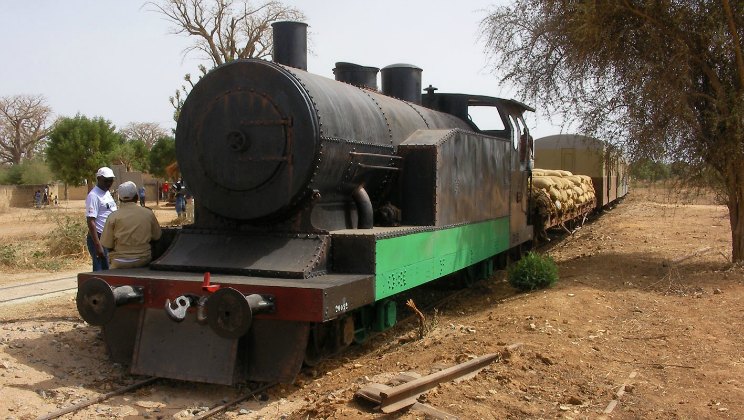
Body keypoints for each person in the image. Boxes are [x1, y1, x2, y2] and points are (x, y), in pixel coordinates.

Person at [101, 181, 162, 269]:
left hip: (119, 262)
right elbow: (157, 236)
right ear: (136, 197)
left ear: (120, 198)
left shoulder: (113, 217)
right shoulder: (148, 213)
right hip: (144, 260)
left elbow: (107, 244)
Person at [86, 167, 117, 271]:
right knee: (100, 271)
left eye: (111, 180)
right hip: (99, 238)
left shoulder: (107, 193)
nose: (109, 183)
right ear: (99, 179)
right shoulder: (94, 196)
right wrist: (98, 245)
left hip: (109, 237)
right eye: (106, 180)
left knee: (109, 269)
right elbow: (91, 221)